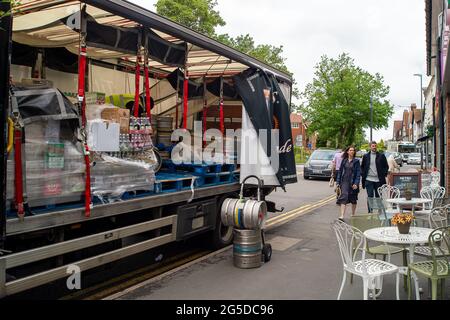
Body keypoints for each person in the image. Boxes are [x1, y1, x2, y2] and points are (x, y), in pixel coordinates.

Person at [361, 141, 389, 212]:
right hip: (368, 179)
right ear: (370, 147)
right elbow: (362, 167)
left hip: (378, 180)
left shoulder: (381, 156)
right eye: (373, 146)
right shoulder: (366, 156)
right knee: (370, 197)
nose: (374, 147)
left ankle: (380, 211)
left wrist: (383, 174)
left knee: (378, 196)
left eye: (375, 146)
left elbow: (386, 166)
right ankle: (370, 212)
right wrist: (363, 174)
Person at [336, 146, 361, 221]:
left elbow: (358, 173)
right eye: (350, 150)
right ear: (347, 152)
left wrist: (356, 183)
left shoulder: (356, 161)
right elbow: (340, 172)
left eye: (353, 150)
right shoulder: (344, 161)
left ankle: (353, 214)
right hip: (344, 182)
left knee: (353, 199)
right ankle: (342, 215)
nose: (352, 151)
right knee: (344, 197)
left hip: (353, 182)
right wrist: (338, 182)